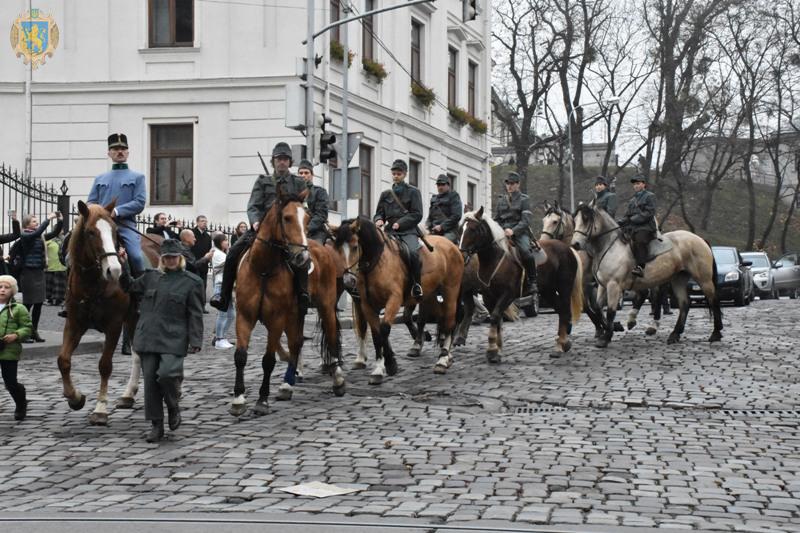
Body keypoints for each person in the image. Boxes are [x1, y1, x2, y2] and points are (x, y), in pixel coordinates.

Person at [122, 240, 203, 443]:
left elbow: (195, 313)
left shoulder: (192, 282)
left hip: (174, 338)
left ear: (180, 258)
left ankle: (173, 405)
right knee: (150, 381)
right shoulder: (150, 277)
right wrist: (122, 264)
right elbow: (129, 286)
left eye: (174, 257)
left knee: (167, 374)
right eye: (167, 257)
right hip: (148, 337)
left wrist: (195, 339)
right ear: (162, 259)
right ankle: (156, 424)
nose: (170, 260)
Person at [210, 142, 307, 312]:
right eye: (279, 159)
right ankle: (223, 297)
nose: (282, 162)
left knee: (303, 255)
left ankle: (302, 294)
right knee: (233, 253)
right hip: (262, 228)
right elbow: (253, 205)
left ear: (290, 162)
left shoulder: (298, 183)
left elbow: (302, 207)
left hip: (287, 230)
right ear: (273, 161)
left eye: (285, 159)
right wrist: (255, 221)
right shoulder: (263, 181)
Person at [87, 133, 147, 277]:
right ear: (109, 153)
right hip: (101, 226)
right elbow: (91, 201)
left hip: (125, 225)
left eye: (123, 149)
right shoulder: (100, 178)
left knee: (137, 257)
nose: (120, 151)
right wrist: (91, 212)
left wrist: (117, 211)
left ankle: (141, 287)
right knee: (71, 256)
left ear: (128, 153)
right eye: (115, 149)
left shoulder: (138, 177)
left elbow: (139, 202)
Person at [374, 159, 424, 298]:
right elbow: (379, 212)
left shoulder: (413, 192)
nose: (396, 176)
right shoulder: (386, 194)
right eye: (394, 173)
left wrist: (401, 223)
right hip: (389, 231)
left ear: (405, 174)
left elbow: (417, 214)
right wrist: (378, 219)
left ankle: (416, 285)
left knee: (413, 254)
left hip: (408, 231)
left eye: (399, 174)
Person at [18, 212, 63, 343]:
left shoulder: (40, 236)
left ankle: (34, 331)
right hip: (28, 273)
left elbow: (54, 233)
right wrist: (47, 219)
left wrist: (60, 221)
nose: (36, 223)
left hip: (39, 272)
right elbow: (36, 233)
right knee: (27, 305)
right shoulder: (25, 235)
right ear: (27, 224)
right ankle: (24, 332)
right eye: (34, 221)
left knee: (38, 304)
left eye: (37, 221)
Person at [493, 172, 537, 294]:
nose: (509, 186)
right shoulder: (501, 200)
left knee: (526, 253)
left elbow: (525, 221)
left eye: (512, 183)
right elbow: (497, 219)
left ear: (518, 184)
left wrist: (513, 231)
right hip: (502, 232)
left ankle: (533, 281)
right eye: (508, 183)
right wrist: (500, 229)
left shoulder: (524, 199)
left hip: (519, 233)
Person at [0, 275, 32, 421]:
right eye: (0, 287)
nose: (2, 290)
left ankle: (20, 402)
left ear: (12, 291)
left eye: (6, 288)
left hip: (9, 350)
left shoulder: (19, 308)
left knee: (10, 383)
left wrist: (16, 335)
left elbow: (27, 328)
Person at [617, 174, 657, 277]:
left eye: (638, 183)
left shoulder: (650, 196)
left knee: (639, 239)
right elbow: (628, 215)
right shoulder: (632, 200)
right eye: (634, 184)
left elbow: (649, 213)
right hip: (633, 226)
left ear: (644, 184)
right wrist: (621, 221)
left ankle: (640, 266)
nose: (636, 186)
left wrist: (633, 219)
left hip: (646, 226)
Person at [210, 233, 235, 349]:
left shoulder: (222, 253)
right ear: (220, 242)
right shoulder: (217, 253)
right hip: (221, 286)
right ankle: (219, 339)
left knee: (231, 314)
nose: (227, 242)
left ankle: (222, 337)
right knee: (223, 314)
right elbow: (229, 265)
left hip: (226, 286)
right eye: (225, 240)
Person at [297, 159, 330, 244]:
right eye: (301, 173)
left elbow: (321, 215)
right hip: (296, 231)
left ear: (312, 175)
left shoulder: (320, 192)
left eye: (306, 173)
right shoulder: (293, 194)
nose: (303, 175)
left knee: (315, 248)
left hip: (316, 232)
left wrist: (307, 228)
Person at [426, 174, 463, 244]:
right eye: (438, 185)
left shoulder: (454, 196)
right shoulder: (434, 199)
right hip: (434, 231)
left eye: (443, 185)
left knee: (442, 244)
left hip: (450, 231)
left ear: (448, 185)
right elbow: (430, 217)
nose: (440, 187)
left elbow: (456, 215)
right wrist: (427, 226)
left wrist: (441, 226)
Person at [191, 215, 212, 311]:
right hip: (193, 264)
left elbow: (208, 250)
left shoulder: (207, 236)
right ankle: (193, 306)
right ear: (197, 222)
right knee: (193, 287)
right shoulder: (192, 233)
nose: (204, 223)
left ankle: (202, 306)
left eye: (205, 221)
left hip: (204, 265)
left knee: (203, 286)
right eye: (202, 221)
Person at [45, 230, 67, 307]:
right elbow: (43, 248)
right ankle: (49, 300)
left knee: (59, 285)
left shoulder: (64, 240)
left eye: (61, 230)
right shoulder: (49, 240)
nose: (60, 232)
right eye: (59, 230)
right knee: (49, 285)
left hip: (61, 266)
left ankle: (59, 300)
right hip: (50, 266)